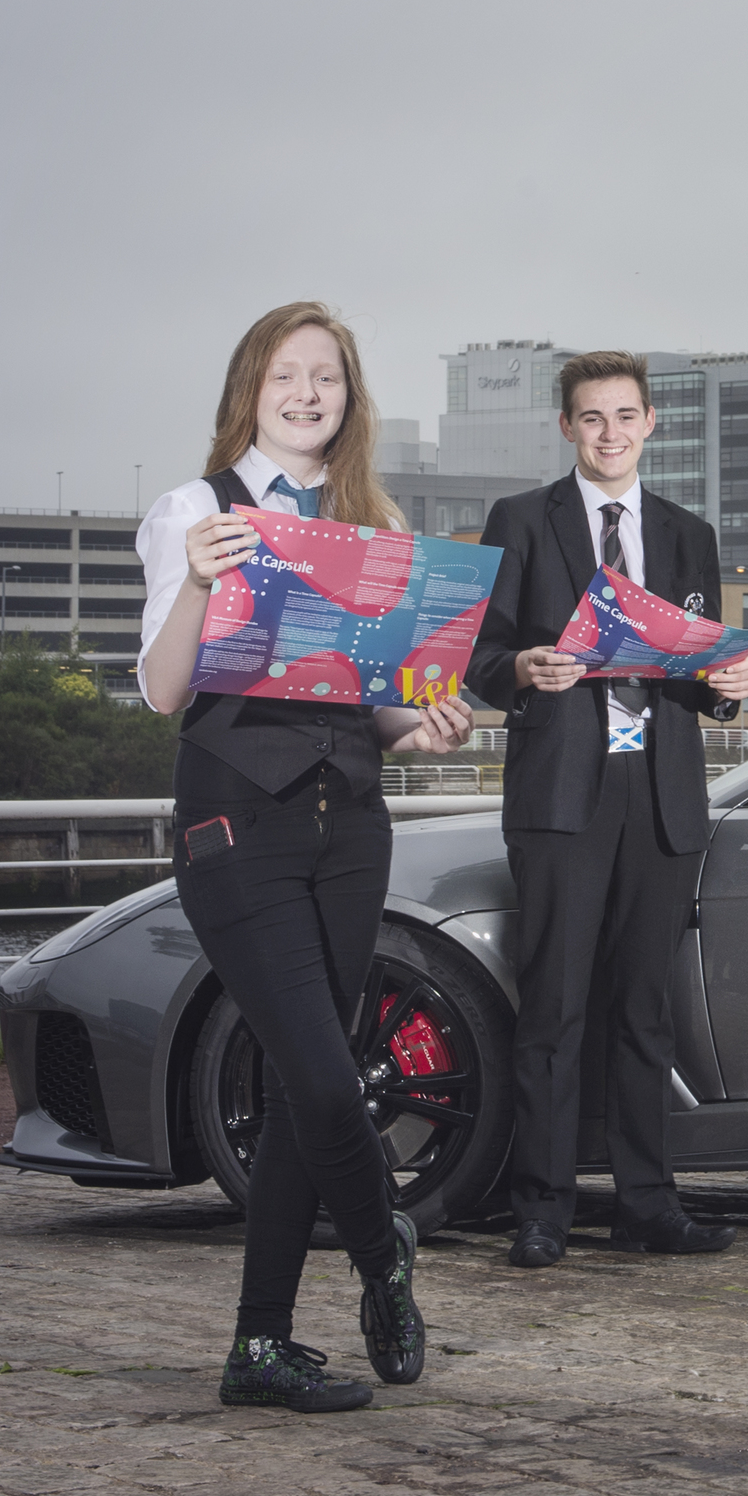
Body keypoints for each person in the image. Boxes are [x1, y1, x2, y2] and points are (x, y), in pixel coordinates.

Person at [136, 301, 475, 1412]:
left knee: (300, 1089)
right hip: (237, 827)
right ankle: (384, 1250)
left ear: (348, 398)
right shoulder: (194, 511)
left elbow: (371, 704)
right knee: (331, 1078)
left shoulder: (368, 528)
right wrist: (194, 577)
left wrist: (420, 718)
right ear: (252, 387)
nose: (306, 393)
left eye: (326, 377)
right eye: (287, 374)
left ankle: (260, 1347)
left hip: (351, 829)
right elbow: (163, 691)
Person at [468, 351, 748, 1269]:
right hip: (561, 794)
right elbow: (478, 656)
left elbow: (708, 668)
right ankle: (544, 1209)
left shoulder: (688, 535)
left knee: (645, 1013)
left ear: (650, 426)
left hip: (661, 796)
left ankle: (647, 1205)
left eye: (625, 416)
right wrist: (522, 668)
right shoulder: (520, 522)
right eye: (592, 418)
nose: (610, 433)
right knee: (552, 1010)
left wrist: (732, 687)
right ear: (567, 426)